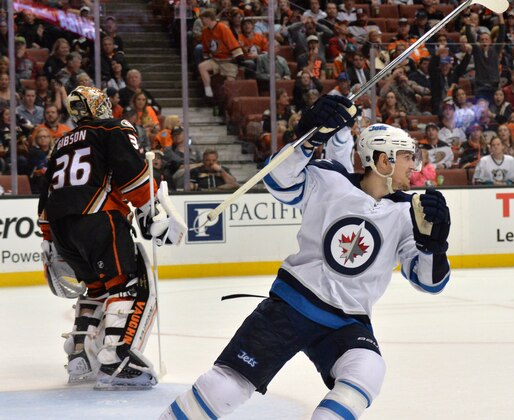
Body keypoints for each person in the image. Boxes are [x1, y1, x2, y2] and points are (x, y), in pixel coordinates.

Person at [161, 95, 452, 420]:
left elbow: (429, 282)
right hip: (290, 308)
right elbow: (278, 180)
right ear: (383, 160)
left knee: (368, 370)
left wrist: (434, 245)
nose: (413, 165)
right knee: (226, 387)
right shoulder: (329, 180)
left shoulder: (408, 212)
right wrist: (308, 136)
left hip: (346, 321)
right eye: (406, 157)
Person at [37, 86, 185, 390]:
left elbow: (46, 196)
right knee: (126, 286)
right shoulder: (113, 128)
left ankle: (80, 354)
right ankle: (115, 360)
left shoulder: (61, 143)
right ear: (97, 107)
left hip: (63, 229)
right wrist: (150, 209)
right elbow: (132, 173)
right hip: (99, 219)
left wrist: (50, 238)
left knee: (95, 289)